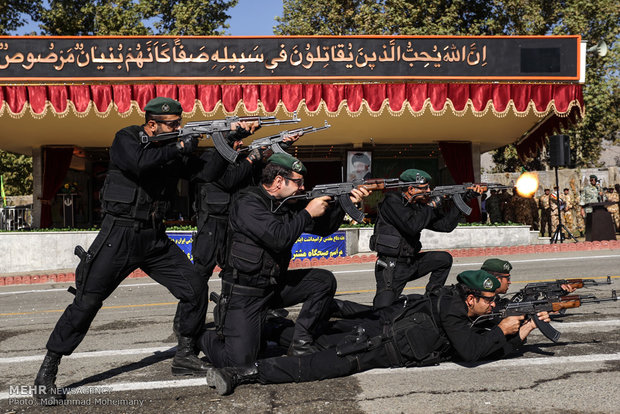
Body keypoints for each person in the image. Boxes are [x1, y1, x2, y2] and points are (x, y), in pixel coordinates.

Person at [33, 97, 257, 405]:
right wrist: (180, 146)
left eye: (179, 124)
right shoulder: (127, 138)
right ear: (152, 124)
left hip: (154, 237)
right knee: (87, 302)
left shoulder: (174, 148)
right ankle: (48, 370)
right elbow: (138, 163)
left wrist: (231, 139)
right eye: (172, 125)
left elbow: (207, 173)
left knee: (194, 288)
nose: (177, 129)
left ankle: (185, 355)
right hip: (119, 234)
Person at [205, 269, 549, 395]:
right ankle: (240, 372)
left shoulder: (455, 303)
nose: (493, 306)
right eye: (489, 301)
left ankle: (262, 326)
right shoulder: (453, 312)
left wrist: (520, 334)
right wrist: (503, 329)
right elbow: (473, 352)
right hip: (372, 348)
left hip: (373, 337)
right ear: (471, 297)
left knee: (303, 339)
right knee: (314, 366)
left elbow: (478, 343)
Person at [198, 153, 369, 368]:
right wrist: (307, 213)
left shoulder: (288, 205)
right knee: (240, 362)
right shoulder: (247, 203)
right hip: (245, 293)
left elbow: (323, 229)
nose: (302, 187)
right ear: (279, 181)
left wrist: (343, 205)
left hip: (273, 287)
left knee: (323, 281)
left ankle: (301, 342)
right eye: (298, 182)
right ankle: (200, 336)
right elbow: (278, 238)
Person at [369, 168, 482, 308]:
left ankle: (432, 297)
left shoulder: (419, 207)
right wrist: (433, 204)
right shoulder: (392, 202)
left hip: (411, 262)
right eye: (424, 188)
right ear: (410, 189)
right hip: (392, 268)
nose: (429, 191)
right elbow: (412, 226)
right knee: (382, 311)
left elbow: (446, 226)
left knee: (443, 259)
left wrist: (464, 199)